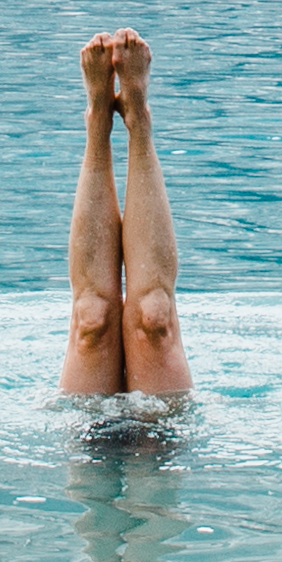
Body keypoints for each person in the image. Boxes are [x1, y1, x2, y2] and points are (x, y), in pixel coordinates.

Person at [61, 27, 193, 405]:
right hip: (86, 434)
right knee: (92, 318)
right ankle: (98, 121)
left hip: (161, 438)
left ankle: (137, 114)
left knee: (156, 318)